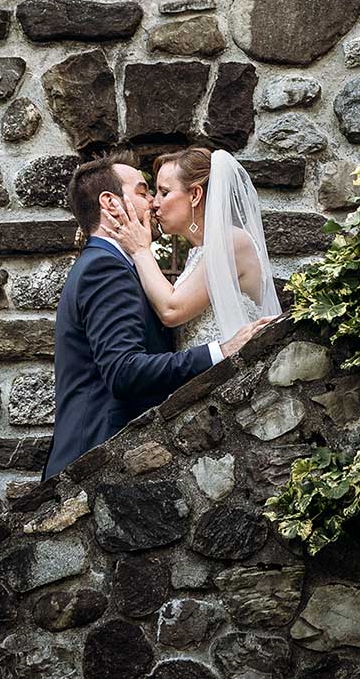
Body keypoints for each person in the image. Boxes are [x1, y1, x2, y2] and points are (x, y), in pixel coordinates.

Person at [43, 150, 274, 480]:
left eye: (161, 192)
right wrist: (220, 351)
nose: (152, 202)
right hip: (97, 457)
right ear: (110, 205)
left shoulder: (125, 266)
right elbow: (125, 368)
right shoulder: (105, 268)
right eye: (144, 191)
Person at [100, 146, 283, 354]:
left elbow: (171, 310)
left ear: (195, 195)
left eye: (164, 192)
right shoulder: (199, 253)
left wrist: (140, 249)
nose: (154, 203)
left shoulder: (233, 242)